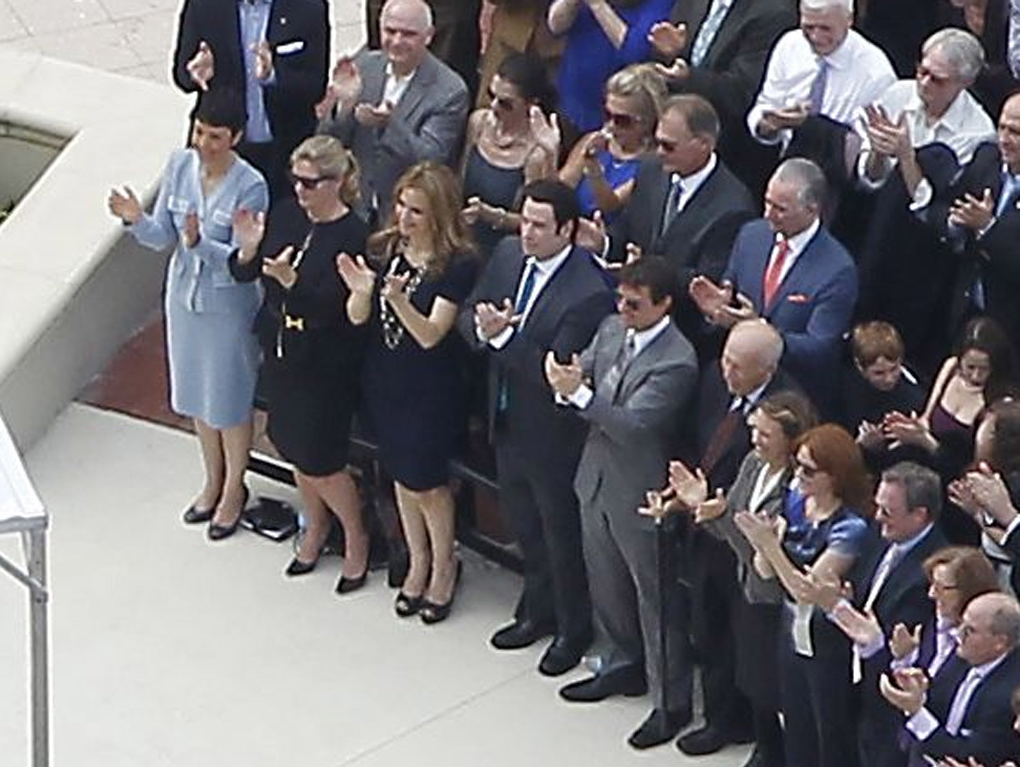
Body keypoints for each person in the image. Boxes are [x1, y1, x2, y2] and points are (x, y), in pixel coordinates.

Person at [460, 178, 615, 675]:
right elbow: (471, 312)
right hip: (504, 415)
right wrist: (484, 330)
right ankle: (537, 608)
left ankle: (573, 628)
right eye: (525, 221)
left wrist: (505, 338)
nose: (527, 233)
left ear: (568, 230)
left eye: (540, 226)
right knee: (523, 523)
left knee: (558, 532)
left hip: (552, 432)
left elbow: (557, 369)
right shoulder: (507, 256)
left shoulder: (587, 291)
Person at [546, 257, 699, 750]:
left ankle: (669, 701)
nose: (623, 309)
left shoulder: (677, 360)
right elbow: (586, 366)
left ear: (664, 304)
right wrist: (567, 377)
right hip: (595, 475)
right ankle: (623, 660)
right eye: (620, 299)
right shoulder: (612, 329)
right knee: (606, 582)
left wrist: (580, 394)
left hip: (642, 488)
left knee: (654, 598)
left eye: (635, 303)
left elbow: (635, 425)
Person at [108, 89, 268, 540]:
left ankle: (235, 487)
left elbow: (242, 260)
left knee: (230, 400)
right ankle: (211, 479)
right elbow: (163, 236)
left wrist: (202, 245)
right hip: (184, 300)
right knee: (198, 394)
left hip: (225, 306)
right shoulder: (180, 165)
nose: (204, 143)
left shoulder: (250, 184)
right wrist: (136, 217)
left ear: (235, 137)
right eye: (200, 132)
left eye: (215, 136)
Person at [227, 135, 371, 588]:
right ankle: (315, 524)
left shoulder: (353, 234)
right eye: (298, 181)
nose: (302, 191)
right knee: (291, 444)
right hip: (283, 347)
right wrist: (249, 249)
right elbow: (248, 271)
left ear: (336, 181)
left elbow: (337, 310)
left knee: (321, 459)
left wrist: (293, 284)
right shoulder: (288, 214)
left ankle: (355, 534)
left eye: (311, 183)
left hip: (324, 359)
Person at [338, 162, 478, 623]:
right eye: (401, 205)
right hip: (386, 376)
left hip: (430, 386)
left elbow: (432, 333)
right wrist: (363, 292)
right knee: (399, 473)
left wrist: (397, 299)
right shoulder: (391, 249)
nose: (405, 217)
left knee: (428, 483)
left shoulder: (457, 264)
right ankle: (416, 558)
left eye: (416, 210)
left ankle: (443, 565)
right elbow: (361, 318)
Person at [660, 390, 818, 767]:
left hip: (776, 598)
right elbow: (734, 525)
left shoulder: (796, 489)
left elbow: (754, 541)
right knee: (754, 677)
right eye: (754, 431)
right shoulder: (753, 464)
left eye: (765, 435)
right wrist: (708, 509)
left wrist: (719, 515)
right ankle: (763, 748)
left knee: (775, 684)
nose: (755, 441)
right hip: (746, 587)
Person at [854, 28, 996, 367]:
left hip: (925, 249)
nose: (924, 83)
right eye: (922, 70)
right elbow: (868, 180)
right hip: (881, 228)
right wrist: (876, 153)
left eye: (938, 79)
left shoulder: (976, 133)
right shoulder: (897, 95)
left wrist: (906, 156)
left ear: (964, 82)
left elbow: (938, 207)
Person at [735, 423, 874, 767]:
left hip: (828, 639)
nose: (800, 475)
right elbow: (766, 571)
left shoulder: (850, 527)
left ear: (835, 475)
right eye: (797, 465)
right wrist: (766, 546)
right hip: (790, 630)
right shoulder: (797, 500)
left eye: (810, 470)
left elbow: (807, 590)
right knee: (795, 724)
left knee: (829, 730)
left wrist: (769, 545)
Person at [580, 94, 755, 342]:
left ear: (704, 144)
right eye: (657, 142)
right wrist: (604, 243)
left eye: (669, 146)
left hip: (680, 331)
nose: (659, 152)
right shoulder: (651, 169)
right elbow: (630, 228)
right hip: (626, 314)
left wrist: (647, 272)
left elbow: (706, 283)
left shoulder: (732, 207)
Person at [689, 157, 858, 411]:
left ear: (812, 210)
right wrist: (720, 307)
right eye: (767, 202)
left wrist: (761, 333)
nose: (768, 214)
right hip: (734, 384)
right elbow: (731, 286)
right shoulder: (751, 235)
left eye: (780, 209)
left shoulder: (837, 269)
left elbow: (821, 347)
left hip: (789, 398)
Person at [820, 462, 949, 767]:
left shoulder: (932, 571)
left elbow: (897, 640)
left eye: (888, 512)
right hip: (858, 686)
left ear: (919, 515)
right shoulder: (880, 538)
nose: (878, 518)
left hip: (891, 703)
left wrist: (840, 610)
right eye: (877, 507)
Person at [317, 0, 469, 220]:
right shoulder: (364, 67)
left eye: (408, 34)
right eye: (390, 31)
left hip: (405, 217)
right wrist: (344, 106)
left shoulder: (450, 90)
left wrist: (391, 124)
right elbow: (326, 142)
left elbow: (431, 160)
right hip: (356, 206)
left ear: (428, 36)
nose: (397, 41)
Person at [171, 0, 329, 195]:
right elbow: (181, 74)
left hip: (285, 150)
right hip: (223, 148)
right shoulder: (204, 4)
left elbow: (315, 86)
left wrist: (273, 76)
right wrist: (195, 73)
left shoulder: (307, 6)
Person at [882, 316, 1018, 543]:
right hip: (927, 476)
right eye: (970, 367)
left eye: (983, 369)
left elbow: (980, 468)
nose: (975, 376)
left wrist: (927, 442)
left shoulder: (1000, 405)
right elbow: (927, 418)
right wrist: (911, 428)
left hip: (959, 494)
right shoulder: (950, 368)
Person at [646, 0, 796, 194]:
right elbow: (674, 63)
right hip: (676, 146)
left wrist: (688, 76)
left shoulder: (773, 12)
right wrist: (673, 53)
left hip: (730, 159)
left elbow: (741, 94)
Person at [920, 92, 1020, 345]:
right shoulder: (987, 158)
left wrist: (987, 228)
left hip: (1010, 326)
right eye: (1002, 128)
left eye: (1015, 132)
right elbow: (945, 207)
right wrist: (957, 220)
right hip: (963, 306)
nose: (1004, 140)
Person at [880, 592, 1020, 767]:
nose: (958, 634)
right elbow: (933, 706)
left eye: (970, 630)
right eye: (962, 623)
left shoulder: (1010, 691)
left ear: (1000, 642)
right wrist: (917, 690)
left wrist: (916, 711)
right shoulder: (960, 658)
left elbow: (968, 755)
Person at [746, 0, 896, 158]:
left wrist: (810, 125)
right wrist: (771, 123)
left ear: (849, 20)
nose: (816, 37)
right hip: (782, 160)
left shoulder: (877, 74)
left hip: (838, 173)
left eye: (826, 28)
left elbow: (868, 153)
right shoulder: (790, 45)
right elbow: (764, 106)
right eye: (808, 27)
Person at [461, 53, 560, 260]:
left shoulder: (537, 153)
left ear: (531, 105)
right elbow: (459, 177)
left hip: (500, 248)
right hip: (461, 236)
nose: (494, 107)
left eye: (506, 103)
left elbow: (533, 218)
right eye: (491, 96)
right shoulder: (478, 123)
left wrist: (491, 215)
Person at [547, 0, 673, 139]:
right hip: (571, 104)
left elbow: (635, 52)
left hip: (621, 118)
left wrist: (597, 5)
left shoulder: (659, 3)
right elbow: (555, 26)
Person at [559, 64, 664, 221]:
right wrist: (549, 153)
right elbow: (559, 191)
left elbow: (611, 207)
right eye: (608, 115)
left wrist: (594, 170)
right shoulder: (592, 142)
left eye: (622, 120)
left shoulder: (652, 164)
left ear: (648, 122)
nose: (611, 125)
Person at [841, 321, 927, 471]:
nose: (889, 378)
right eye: (878, 373)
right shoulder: (848, 394)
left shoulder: (915, 388)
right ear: (860, 367)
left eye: (894, 369)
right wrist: (862, 446)